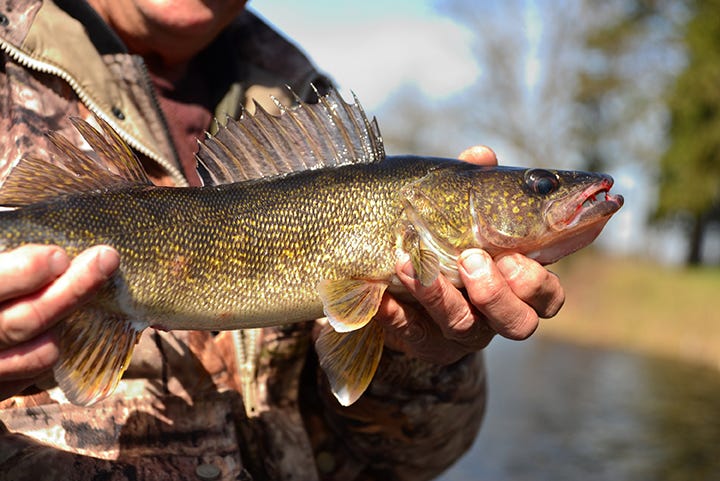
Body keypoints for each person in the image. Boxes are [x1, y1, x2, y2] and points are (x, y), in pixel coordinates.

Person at [0, 1, 565, 480]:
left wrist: (417, 356)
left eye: (538, 186)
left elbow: (413, 459)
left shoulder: (306, 100)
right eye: (537, 187)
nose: (544, 194)